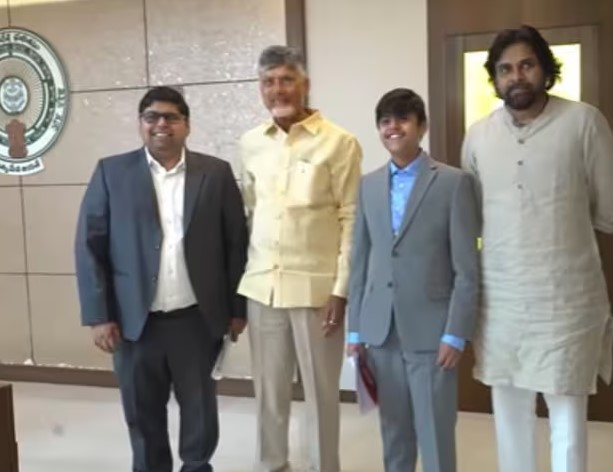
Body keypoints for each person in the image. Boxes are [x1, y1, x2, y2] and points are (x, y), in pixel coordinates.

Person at [461, 25, 613, 472]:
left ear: (545, 69)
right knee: (509, 410)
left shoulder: (584, 122)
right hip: (502, 297)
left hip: (566, 299)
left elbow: (607, 210)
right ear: (495, 79)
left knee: (567, 412)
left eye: (526, 65)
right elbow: (471, 216)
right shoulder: (478, 135)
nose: (517, 76)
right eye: (505, 69)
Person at [74, 86, 248, 472]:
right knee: (143, 417)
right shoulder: (111, 173)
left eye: (171, 117)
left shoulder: (216, 173)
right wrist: (99, 315)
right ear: (140, 124)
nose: (161, 124)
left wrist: (237, 309)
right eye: (151, 117)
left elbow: (236, 243)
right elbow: (89, 246)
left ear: (187, 125)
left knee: (200, 414)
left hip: (196, 320)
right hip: (135, 324)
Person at [238, 45, 362, 472]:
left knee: (322, 396)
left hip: (317, 293)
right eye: (268, 82)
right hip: (262, 288)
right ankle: (271, 465)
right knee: (268, 394)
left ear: (305, 84)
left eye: (287, 79)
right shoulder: (251, 144)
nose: (278, 90)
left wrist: (341, 290)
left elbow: (351, 219)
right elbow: (251, 211)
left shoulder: (340, 143)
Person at [347, 88, 480, 472]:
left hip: (432, 333)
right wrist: (356, 331)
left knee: (435, 433)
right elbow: (360, 262)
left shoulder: (453, 183)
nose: (394, 127)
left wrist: (456, 333)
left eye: (403, 119)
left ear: (422, 127)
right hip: (381, 330)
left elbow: (467, 268)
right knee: (394, 434)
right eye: (385, 121)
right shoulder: (368, 185)